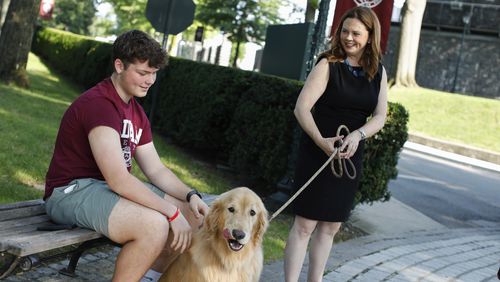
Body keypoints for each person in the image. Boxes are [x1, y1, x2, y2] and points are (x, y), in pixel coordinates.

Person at [44, 30, 209, 282]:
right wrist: (170, 213)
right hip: (70, 192)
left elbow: (156, 170)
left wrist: (190, 195)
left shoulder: (136, 113)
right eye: (143, 73)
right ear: (119, 65)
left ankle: (150, 277)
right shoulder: (99, 104)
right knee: (155, 224)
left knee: (192, 213)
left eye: (154, 73)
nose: (149, 80)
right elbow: (119, 180)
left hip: (104, 190)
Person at [283, 6, 388, 282]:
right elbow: (302, 108)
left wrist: (358, 135)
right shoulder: (328, 64)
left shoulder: (378, 71)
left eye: (356, 33)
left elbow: (379, 116)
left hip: (350, 155)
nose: (348, 38)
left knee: (331, 226)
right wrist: (321, 141)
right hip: (319, 149)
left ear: (369, 35)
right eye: (344, 31)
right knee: (305, 224)